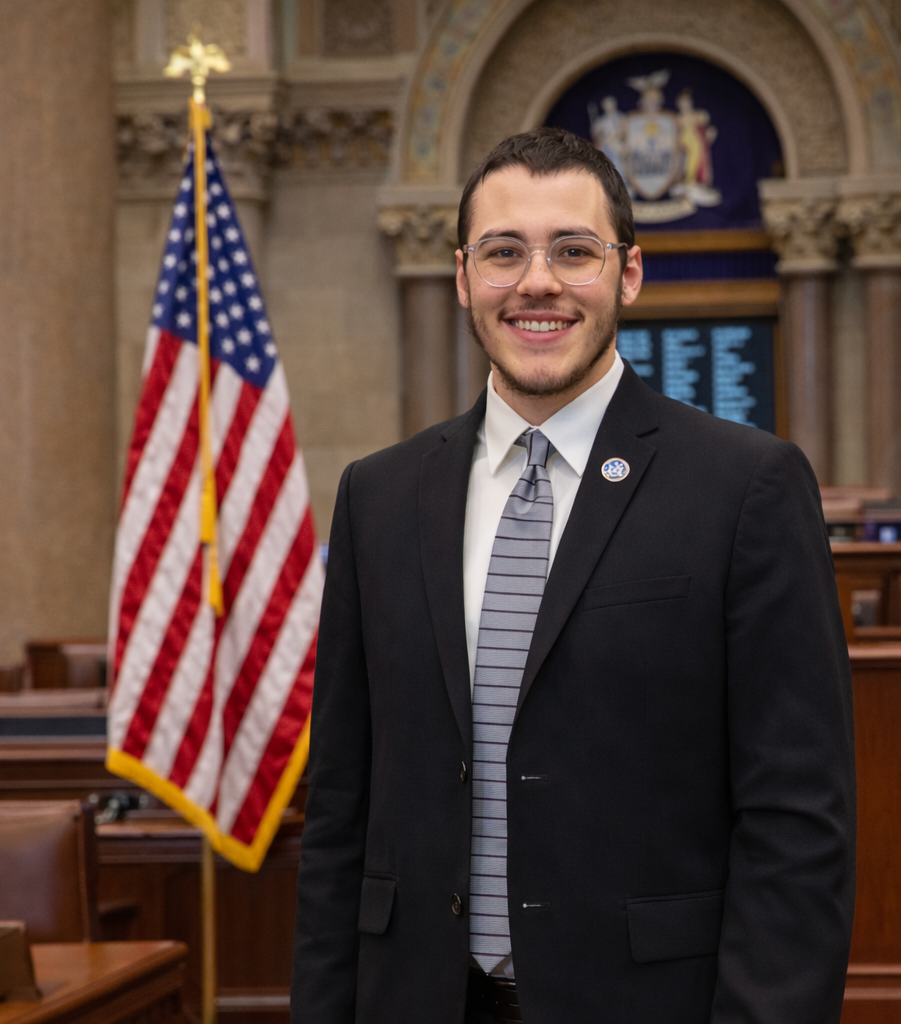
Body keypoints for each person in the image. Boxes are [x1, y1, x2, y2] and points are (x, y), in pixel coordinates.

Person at [291, 126, 856, 1024]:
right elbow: (341, 812)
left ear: (627, 274)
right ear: (463, 275)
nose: (537, 282)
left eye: (574, 251)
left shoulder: (746, 486)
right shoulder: (380, 496)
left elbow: (797, 821)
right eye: (504, 252)